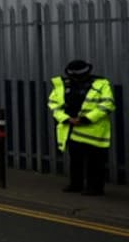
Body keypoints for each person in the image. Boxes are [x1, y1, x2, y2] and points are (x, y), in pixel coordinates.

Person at [47, 60, 116, 195]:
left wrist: (85, 119)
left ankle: (95, 188)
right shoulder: (62, 85)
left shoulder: (101, 84)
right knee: (76, 160)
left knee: (95, 162)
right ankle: (75, 184)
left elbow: (107, 105)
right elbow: (54, 105)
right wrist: (66, 119)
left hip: (94, 131)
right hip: (72, 129)